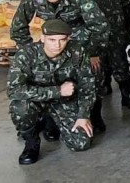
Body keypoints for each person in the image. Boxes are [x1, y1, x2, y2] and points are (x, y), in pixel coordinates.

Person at [8, 20, 96, 165]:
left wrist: (83, 115)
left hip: (65, 101)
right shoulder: (26, 55)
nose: (57, 45)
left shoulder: (77, 51)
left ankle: (51, 121)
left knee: (80, 143)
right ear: (42, 38)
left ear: (68, 38)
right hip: (36, 101)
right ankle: (31, 141)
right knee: (21, 107)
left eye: (62, 40)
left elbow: (88, 84)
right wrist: (57, 91)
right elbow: (14, 90)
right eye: (52, 40)